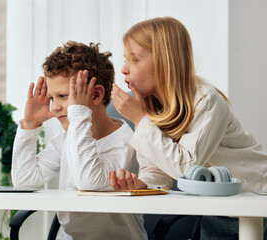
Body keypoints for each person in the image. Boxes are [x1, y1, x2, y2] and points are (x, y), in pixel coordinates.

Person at [108, 17, 267, 239]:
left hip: (256, 204)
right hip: (216, 210)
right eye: (126, 59)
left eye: (134, 59)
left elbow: (187, 169)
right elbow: (158, 170)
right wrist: (141, 183)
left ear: (165, 61)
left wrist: (140, 120)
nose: (124, 69)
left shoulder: (207, 101)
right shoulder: (152, 105)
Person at [12, 41, 147, 240]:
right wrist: (30, 126)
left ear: (96, 94)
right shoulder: (65, 139)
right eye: (52, 98)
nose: (55, 107)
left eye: (63, 96)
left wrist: (78, 114)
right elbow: (24, 180)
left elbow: (89, 182)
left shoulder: (127, 144)